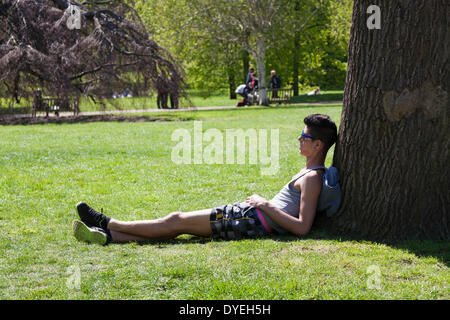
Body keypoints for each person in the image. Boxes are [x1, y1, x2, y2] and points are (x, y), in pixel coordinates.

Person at [72, 114, 338, 245]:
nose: (299, 140)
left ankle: (106, 222)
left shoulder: (313, 178)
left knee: (175, 221)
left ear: (317, 145)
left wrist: (263, 204)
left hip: (249, 221)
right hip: (247, 218)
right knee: (177, 228)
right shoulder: (308, 173)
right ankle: (106, 236)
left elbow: (302, 228)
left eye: (304, 137)